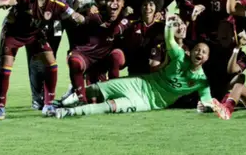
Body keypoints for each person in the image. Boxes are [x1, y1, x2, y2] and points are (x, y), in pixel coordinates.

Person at [56, 15, 213, 118]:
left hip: (148, 102)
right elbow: (169, 40)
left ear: (207, 58)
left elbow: (207, 101)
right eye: (197, 50)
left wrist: (205, 107)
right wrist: (169, 25)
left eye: (203, 52)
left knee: (111, 107)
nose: (199, 53)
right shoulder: (179, 56)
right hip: (141, 84)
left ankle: (69, 112)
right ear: (192, 52)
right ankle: (62, 103)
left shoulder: (201, 82)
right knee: (98, 88)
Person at [0, 0, 85, 119]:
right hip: (13, 33)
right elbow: (6, 1)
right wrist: (4, 3)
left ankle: (48, 105)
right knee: (5, 68)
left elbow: (71, 12)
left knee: (52, 64)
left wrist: (78, 16)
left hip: (34, 34)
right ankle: (0, 106)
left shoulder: (55, 1)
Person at [28, 0, 95, 110]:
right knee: (37, 63)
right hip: (35, 28)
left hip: (55, 28)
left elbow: (64, 14)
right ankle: (36, 98)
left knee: (50, 61)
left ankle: (45, 97)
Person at [66, 0, 130, 103]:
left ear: (123, 3)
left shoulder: (124, 19)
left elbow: (113, 31)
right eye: (111, 0)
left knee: (117, 55)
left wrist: (122, 15)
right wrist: (77, 15)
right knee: (75, 62)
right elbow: (83, 20)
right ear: (106, 2)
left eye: (118, 0)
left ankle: (114, 93)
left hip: (105, 59)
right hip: (87, 56)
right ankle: (82, 101)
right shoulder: (96, 15)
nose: (114, 3)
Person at [120, 0, 166, 75]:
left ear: (156, 7)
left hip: (154, 71)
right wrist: (123, 15)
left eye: (151, 4)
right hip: (134, 68)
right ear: (140, 7)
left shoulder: (161, 26)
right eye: (145, 5)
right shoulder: (133, 24)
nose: (148, 8)